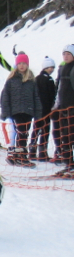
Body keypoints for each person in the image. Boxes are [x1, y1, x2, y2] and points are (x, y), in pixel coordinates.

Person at [0, 52, 42, 168]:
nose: (22, 66)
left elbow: (36, 96)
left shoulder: (31, 80)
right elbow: (5, 96)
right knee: (21, 132)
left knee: (24, 133)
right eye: (20, 63)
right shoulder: (11, 80)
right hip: (16, 110)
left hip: (28, 110)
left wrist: (38, 112)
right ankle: (20, 155)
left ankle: (18, 154)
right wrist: (5, 111)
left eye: (24, 63)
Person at [29, 56, 57, 162]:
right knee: (45, 130)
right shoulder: (48, 79)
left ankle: (32, 151)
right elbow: (52, 95)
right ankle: (42, 152)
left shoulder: (37, 79)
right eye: (50, 67)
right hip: (46, 109)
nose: (52, 69)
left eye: (53, 67)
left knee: (36, 129)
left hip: (38, 109)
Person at [51, 45, 74, 176]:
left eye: (68, 54)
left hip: (72, 108)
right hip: (63, 109)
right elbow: (59, 89)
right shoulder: (62, 68)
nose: (65, 56)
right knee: (65, 136)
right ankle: (69, 163)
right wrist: (56, 105)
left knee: (71, 135)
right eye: (64, 54)